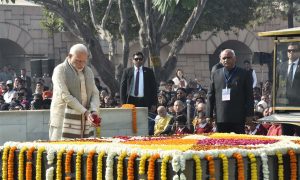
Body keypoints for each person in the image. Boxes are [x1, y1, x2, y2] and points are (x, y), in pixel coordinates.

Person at [49, 43, 100, 140]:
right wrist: (85, 112)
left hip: (84, 120)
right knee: (62, 153)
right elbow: (65, 96)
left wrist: (93, 111)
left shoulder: (88, 71)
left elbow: (95, 93)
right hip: (63, 120)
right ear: (69, 56)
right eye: (77, 61)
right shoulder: (60, 70)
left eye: (83, 61)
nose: (81, 64)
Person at [206, 49, 254, 134]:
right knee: (222, 143)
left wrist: (249, 115)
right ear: (220, 60)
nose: (226, 60)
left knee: (238, 142)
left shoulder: (244, 74)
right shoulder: (215, 74)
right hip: (221, 117)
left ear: (235, 59)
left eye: (229, 57)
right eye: (224, 58)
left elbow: (249, 96)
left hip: (238, 117)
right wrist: (208, 115)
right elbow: (210, 95)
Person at [276, 43, 300, 136]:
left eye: (294, 50)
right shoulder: (281, 66)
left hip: (298, 107)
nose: (291, 53)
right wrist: (272, 105)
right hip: (284, 107)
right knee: (286, 135)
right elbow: (276, 86)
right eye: (289, 51)